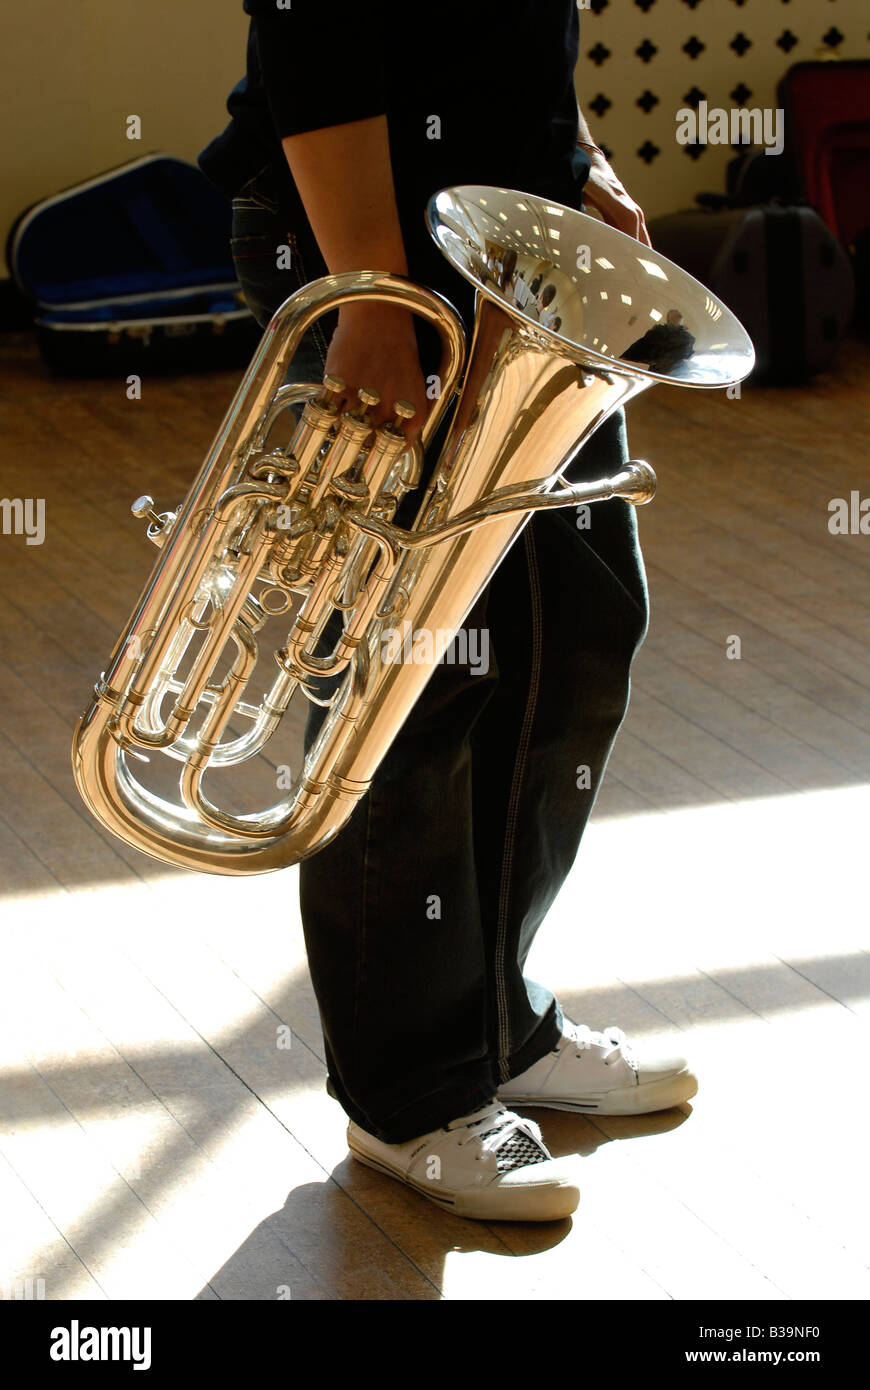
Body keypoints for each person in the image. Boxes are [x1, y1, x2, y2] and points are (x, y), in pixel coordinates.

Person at [199, 0, 697, 1224]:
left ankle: (495, 1023)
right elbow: (312, 22)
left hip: (518, 227)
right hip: (379, 238)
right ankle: (409, 1092)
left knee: (577, 634)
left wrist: (581, 156)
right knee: (415, 681)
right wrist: (369, 291)